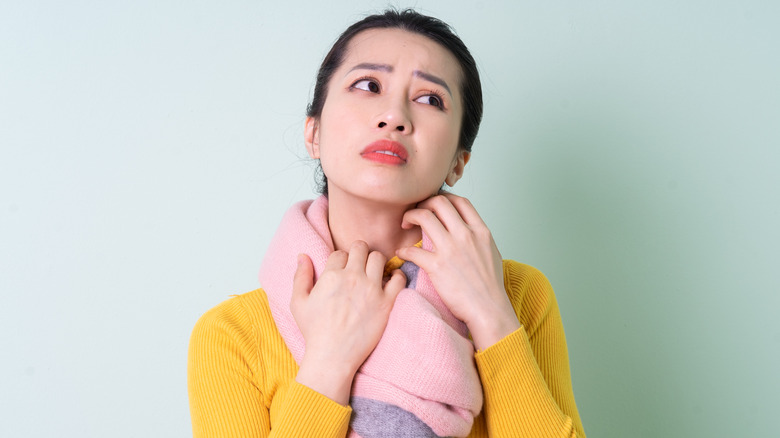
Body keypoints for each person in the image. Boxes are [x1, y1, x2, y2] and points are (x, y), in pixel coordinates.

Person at [188, 8, 586, 438]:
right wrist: (329, 363)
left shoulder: (519, 296)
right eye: (368, 85)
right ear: (314, 132)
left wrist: (491, 315)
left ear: (458, 162)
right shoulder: (234, 334)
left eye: (430, 98)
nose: (394, 116)